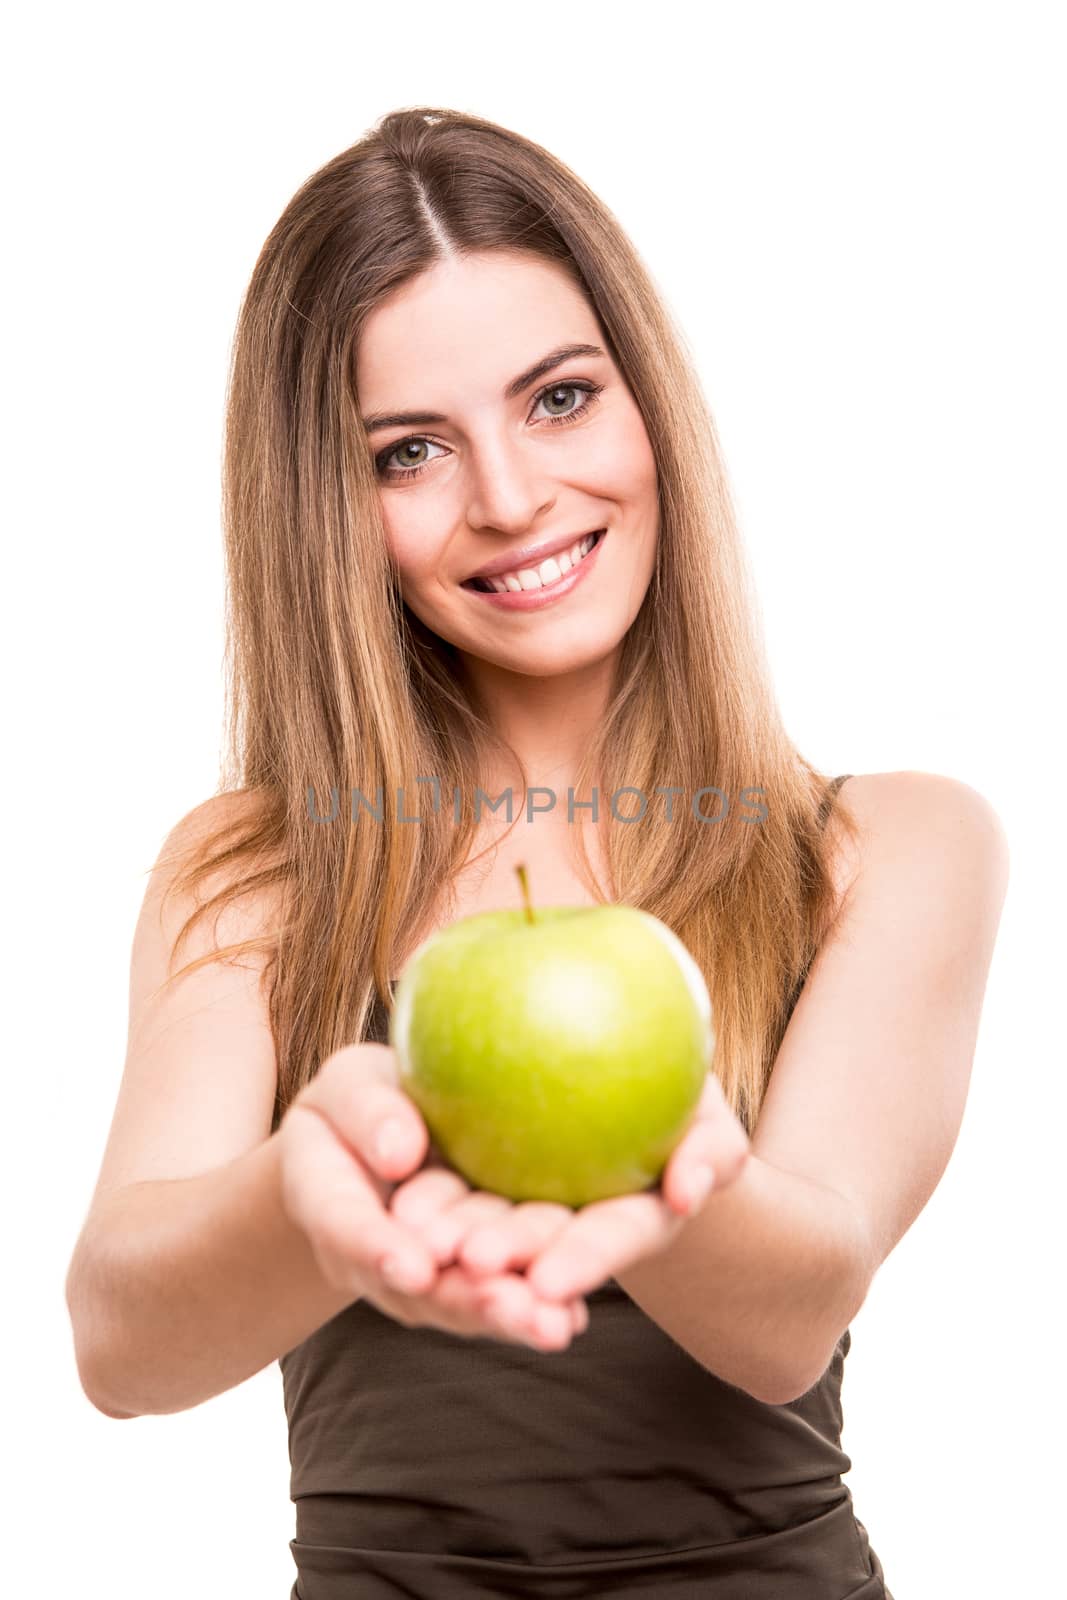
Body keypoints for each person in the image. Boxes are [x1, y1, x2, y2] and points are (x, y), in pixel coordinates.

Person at [65, 107, 1009, 1599]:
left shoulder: (884, 848)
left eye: (560, 399)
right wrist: (308, 1199)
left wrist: (659, 1166)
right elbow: (121, 1343)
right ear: (329, 509)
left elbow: (789, 1318)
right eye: (411, 452)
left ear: (646, 405)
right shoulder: (256, 872)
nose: (508, 500)